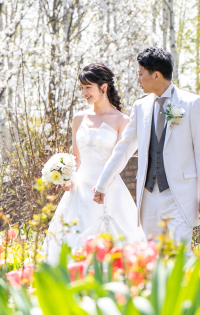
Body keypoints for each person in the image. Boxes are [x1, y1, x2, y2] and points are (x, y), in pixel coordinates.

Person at [93, 47, 200, 246]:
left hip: (181, 196)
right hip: (148, 197)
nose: (138, 80)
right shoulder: (141, 106)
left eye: (141, 74)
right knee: (155, 258)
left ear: (156, 75)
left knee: (180, 257)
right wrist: (102, 183)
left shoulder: (192, 104)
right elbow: (124, 148)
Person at [45, 63, 146, 265]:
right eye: (82, 87)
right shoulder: (78, 118)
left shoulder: (122, 120)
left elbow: (120, 159)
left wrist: (103, 185)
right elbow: (77, 158)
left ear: (104, 87)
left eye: (88, 87)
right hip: (79, 192)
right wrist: (67, 178)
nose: (84, 92)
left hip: (110, 190)